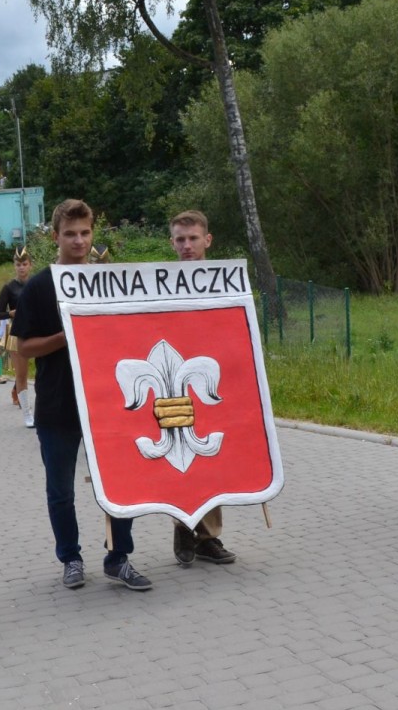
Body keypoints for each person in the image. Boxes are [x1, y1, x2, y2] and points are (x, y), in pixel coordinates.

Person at [13, 199, 152, 591]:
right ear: (55, 237)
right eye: (70, 233)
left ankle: (118, 558)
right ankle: (70, 558)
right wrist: (67, 334)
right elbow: (24, 347)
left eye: (85, 233)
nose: (78, 240)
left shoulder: (108, 280)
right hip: (58, 404)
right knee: (61, 490)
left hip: (108, 401)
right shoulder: (39, 286)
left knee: (120, 482)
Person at [167, 210, 238, 565]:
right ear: (172, 243)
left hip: (213, 384)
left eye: (193, 238)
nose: (187, 245)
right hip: (174, 385)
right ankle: (183, 526)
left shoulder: (226, 282)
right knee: (180, 459)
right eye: (180, 239)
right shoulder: (159, 284)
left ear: (207, 240)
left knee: (212, 460)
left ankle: (208, 537)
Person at [0, 246, 34, 426]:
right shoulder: (8, 288)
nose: (21, 268)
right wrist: (11, 313)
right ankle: (27, 413)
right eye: (18, 264)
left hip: (37, 330)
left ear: (30, 265)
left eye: (24, 264)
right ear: (14, 266)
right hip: (16, 332)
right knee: (22, 374)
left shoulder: (36, 284)